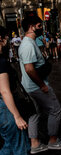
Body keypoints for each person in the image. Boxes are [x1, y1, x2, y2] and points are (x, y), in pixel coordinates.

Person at [19, 15, 61, 154]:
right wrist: (42, 85)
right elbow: (29, 69)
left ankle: (35, 144)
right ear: (32, 27)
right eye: (40, 26)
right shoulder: (28, 45)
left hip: (30, 87)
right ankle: (53, 141)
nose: (42, 28)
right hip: (36, 87)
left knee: (35, 114)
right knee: (55, 109)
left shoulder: (29, 43)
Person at [0, 26, 30, 155]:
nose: (8, 40)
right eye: (7, 37)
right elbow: (5, 91)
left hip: (2, 110)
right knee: (19, 146)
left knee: (8, 144)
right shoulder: (0, 62)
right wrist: (17, 116)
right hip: (6, 108)